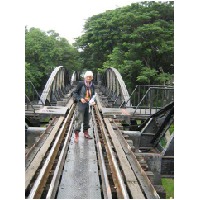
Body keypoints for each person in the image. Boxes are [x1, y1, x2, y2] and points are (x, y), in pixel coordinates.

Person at [73, 71, 96, 143]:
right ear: (85, 77)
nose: (89, 78)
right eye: (87, 76)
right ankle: (76, 135)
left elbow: (93, 95)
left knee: (87, 119)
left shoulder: (92, 85)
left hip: (89, 105)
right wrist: (80, 98)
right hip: (81, 104)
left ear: (92, 78)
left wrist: (93, 101)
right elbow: (74, 93)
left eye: (90, 77)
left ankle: (85, 133)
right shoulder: (81, 84)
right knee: (79, 119)